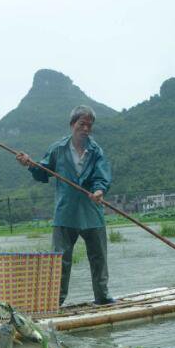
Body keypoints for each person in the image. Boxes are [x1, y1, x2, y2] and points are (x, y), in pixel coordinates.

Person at [16, 105, 114, 306]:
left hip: (91, 212)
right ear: (72, 125)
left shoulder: (96, 152)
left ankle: (102, 297)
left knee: (99, 258)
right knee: (59, 260)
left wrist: (99, 191)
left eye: (89, 125)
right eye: (81, 124)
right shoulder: (58, 149)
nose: (86, 128)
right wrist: (30, 164)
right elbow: (43, 172)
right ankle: (56, 301)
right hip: (65, 213)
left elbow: (101, 177)